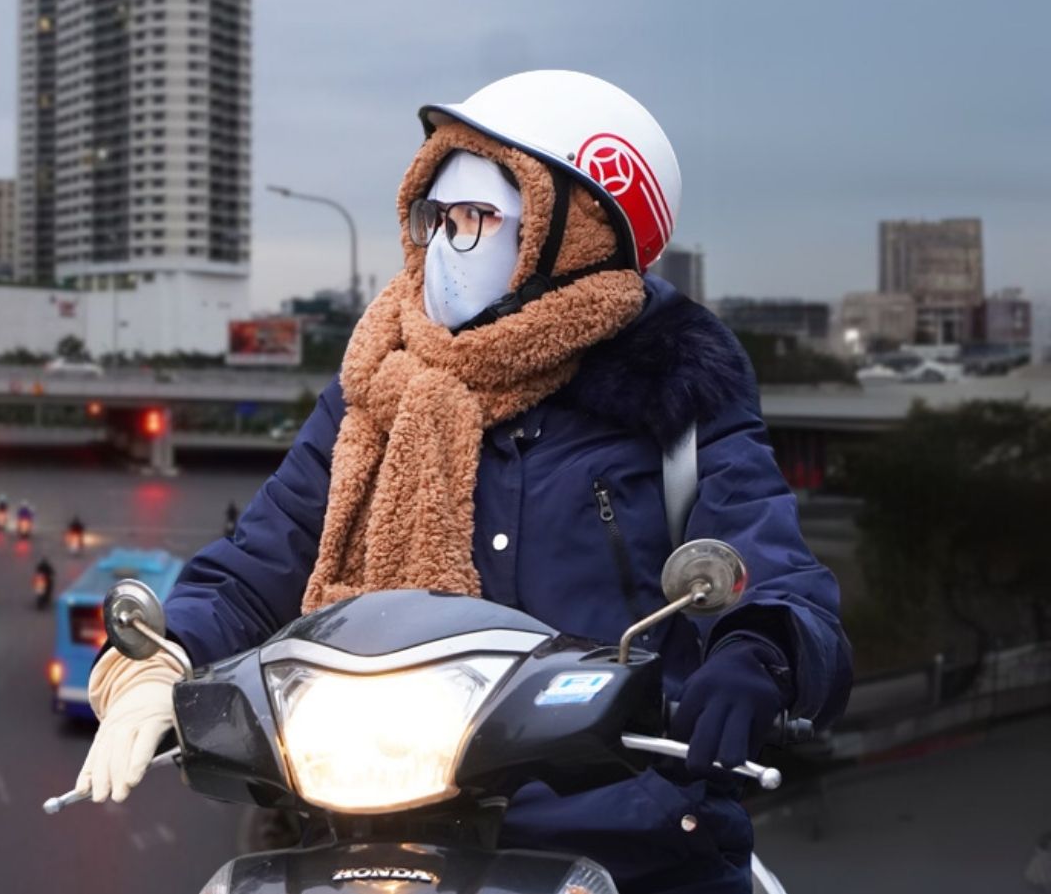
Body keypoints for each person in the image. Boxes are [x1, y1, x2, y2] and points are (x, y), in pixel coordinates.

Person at [74, 71, 851, 894]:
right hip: (375, 822)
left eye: (479, 216)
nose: (448, 241)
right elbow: (257, 564)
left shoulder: (677, 393)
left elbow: (778, 573)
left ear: (575, 230)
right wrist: (160, 662)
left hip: (633, 841)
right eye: (438, 215)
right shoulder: (376, 386)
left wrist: (759, 650)